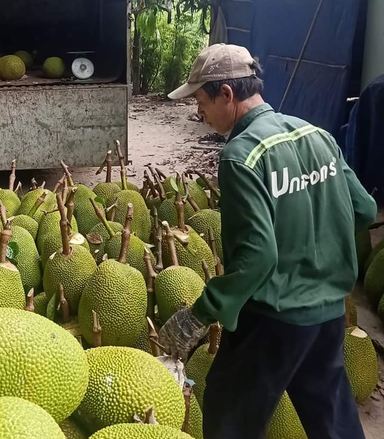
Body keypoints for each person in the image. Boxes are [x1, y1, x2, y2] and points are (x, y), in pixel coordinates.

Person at [159, 43, 377, 439]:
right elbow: (362, 209)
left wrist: (200, 314)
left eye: (201, 101)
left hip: (272, 319)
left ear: (226, 94)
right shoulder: (317, 136)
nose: (199, 112)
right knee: (331, 417)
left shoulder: (241, 156)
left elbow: (257, 259)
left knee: (229, 415)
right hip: (327, 312)